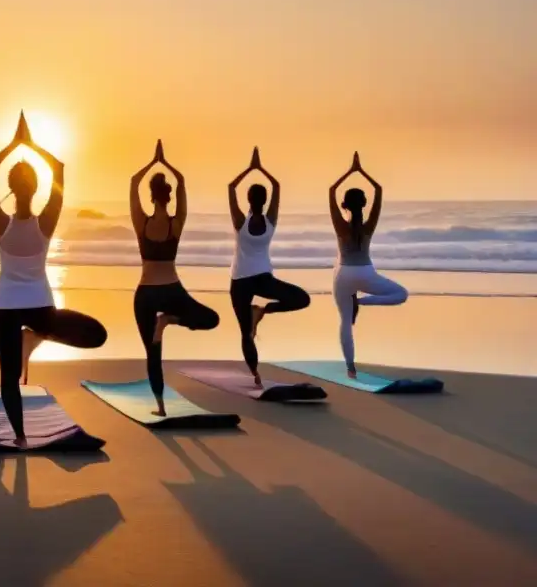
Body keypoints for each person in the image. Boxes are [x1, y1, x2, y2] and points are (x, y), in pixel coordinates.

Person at [0, 112, 107, 448]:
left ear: (9, 188)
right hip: (41, 308)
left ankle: (20, 437)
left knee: (8, 376)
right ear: (37, 187)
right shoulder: (47, 221)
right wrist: (32, 145)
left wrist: (14, 144)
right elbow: (60, 169)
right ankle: (36, 336)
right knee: (97, 336)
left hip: (5, 305)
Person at [130, 140, 219, 416]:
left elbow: (134, 182)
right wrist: (165, 162)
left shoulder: (141, 223)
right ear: (168, 196)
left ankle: (160, 407)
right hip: (172, 291)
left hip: (145, 293)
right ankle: (169, 320)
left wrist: (152, 162)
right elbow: (181, 182)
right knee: (210, 319)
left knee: (152, 352)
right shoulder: (175, 223)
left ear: (151, 196)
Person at [227, 147, 310, 387]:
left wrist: (250, 168)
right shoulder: (270, 220)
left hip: (240, 280)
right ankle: (264, 311)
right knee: (302, 299)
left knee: (245, 334)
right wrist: (261, 169)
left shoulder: (240, 222)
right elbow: (277, 187)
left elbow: (231, 188)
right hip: (263, 279)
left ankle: (255, 376)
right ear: (264, 201)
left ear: (249, 201)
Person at [329, 152, 408, 378]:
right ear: (363, 204)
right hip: (366, 272)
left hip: (343, 275)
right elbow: (379, 191)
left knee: (345, 321)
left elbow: (331, 191)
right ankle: (361, 301)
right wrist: (361, 171)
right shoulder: (369, 226)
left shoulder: (340, 227)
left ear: (344, 204)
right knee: (401, 294)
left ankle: (350, 368)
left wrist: (350, 171)